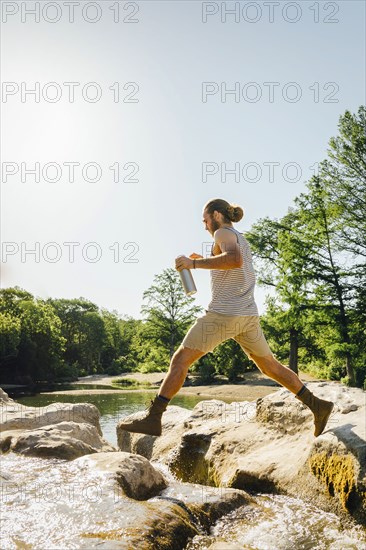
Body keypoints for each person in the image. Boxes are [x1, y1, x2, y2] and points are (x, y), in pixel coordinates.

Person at [119, 198, 334, 438]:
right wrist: (199, 259)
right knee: (270, 367)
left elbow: (233, 259)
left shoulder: (222, 232)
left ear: (217, 215)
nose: (205, 226)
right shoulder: (238, 236)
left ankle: (154, 417)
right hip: (247, 315)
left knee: (181, 360)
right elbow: (230, 265)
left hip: (224, 314)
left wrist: (194, 263)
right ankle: (318, 406)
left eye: (205, 220)